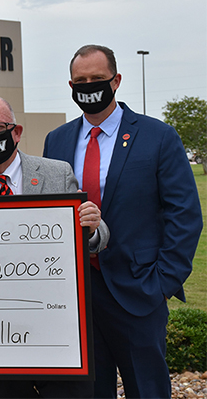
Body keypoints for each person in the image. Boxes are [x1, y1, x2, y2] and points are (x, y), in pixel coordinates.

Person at [43, 44, 203, 399]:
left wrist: (162, 282)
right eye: (80, 80)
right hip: (79, 293)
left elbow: (185, 215)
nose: (89, 86)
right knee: (90, 391)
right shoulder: (57, 140)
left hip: (139, 289)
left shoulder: (158, 137)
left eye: (97, 79)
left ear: (116, 81)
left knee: (147, 389)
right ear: (71, 86)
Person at [0, 95, 109, 399]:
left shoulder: (57, 173)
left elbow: (95, 241)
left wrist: (93, 226)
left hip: (59, 333)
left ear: (16, 132)